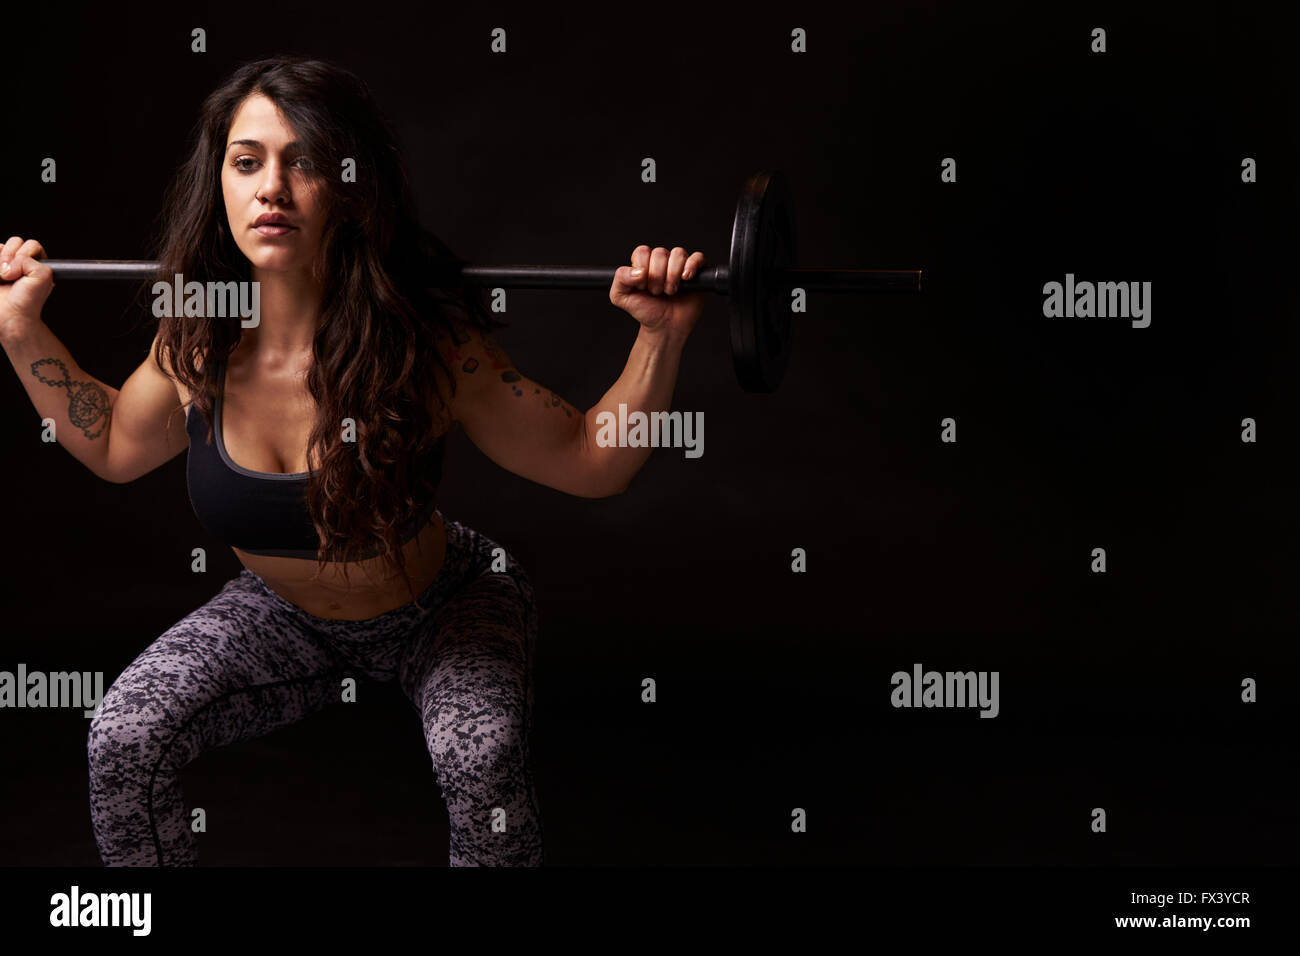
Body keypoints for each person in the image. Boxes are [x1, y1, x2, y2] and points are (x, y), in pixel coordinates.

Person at [0, 55, 706, 866]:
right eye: (247, 161)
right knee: (124, 735)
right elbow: (118, 445)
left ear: (349, 186)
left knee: (479, 759)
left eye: (304, 161)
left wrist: (660, 336)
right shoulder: (197, 339)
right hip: (282, 616)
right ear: (220, 185)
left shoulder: (428, 346)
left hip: (442, 607)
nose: (272, 187)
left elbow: (592, 461)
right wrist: (20, 331)